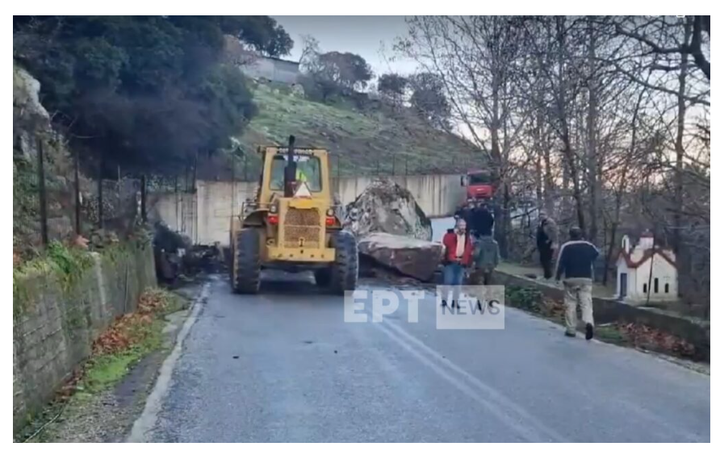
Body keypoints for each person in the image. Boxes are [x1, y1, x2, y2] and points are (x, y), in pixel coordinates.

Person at [555, 227, 600, 339]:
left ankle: (571, 329)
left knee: (570, 303)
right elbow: (596, 254)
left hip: (571, 278)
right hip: (586, 278)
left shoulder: (566, 246)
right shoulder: (589, 245)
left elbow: (560, 263)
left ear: (570, 235)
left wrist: (557, 277)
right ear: (581, 234)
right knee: (586, 303)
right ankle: (589, 322)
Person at [441, 218, 473, 308]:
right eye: (461, 226)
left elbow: (469, 250)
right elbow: (445, 244)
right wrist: (453, 234)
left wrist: (468, 263)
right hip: (451, 261)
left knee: (458, 283)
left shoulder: (467, 237)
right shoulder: (450, 236)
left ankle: (455, 301)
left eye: (464, 227)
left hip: (461, 262)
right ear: (457, 226)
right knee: (448, 281)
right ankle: (444, 300)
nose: (463, 229)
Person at [536, 211, 558, 280]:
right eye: (540, 215)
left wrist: (550, 240)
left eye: (543, 215)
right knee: (543, 259)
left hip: (548, 244)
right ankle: (546, 275)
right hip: (542, 243)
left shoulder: (550, 223)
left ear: (546, 215)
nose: (541, 216)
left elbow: (554, 233)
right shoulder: (541, 223)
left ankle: (549, 275)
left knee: (546, 259)